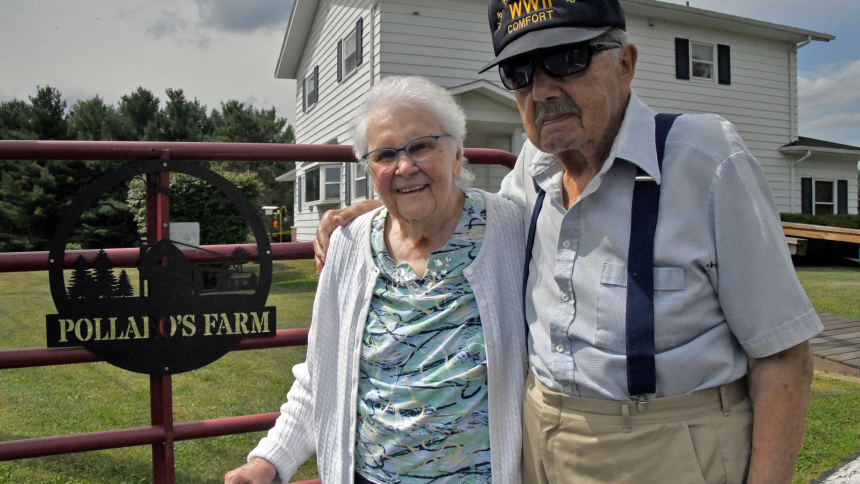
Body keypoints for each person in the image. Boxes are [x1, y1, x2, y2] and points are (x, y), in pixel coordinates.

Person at [313, 1, 824, 483]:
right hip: (539, 445)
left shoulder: (706, 160)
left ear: (625, 63)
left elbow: (782, 354)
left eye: (567, 59)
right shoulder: (530, 179)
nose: (542, 91)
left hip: (668, 446)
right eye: (520, 74)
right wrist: (380, 210)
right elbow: (456, 208)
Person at [225, 76, 526, 484]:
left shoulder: (512, 229)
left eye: (421, 146)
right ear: (370, 170)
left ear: (457, 156)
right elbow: (320, 377)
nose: (404, 167)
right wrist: (268, 462)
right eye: (385, 155)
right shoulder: (348, 246)